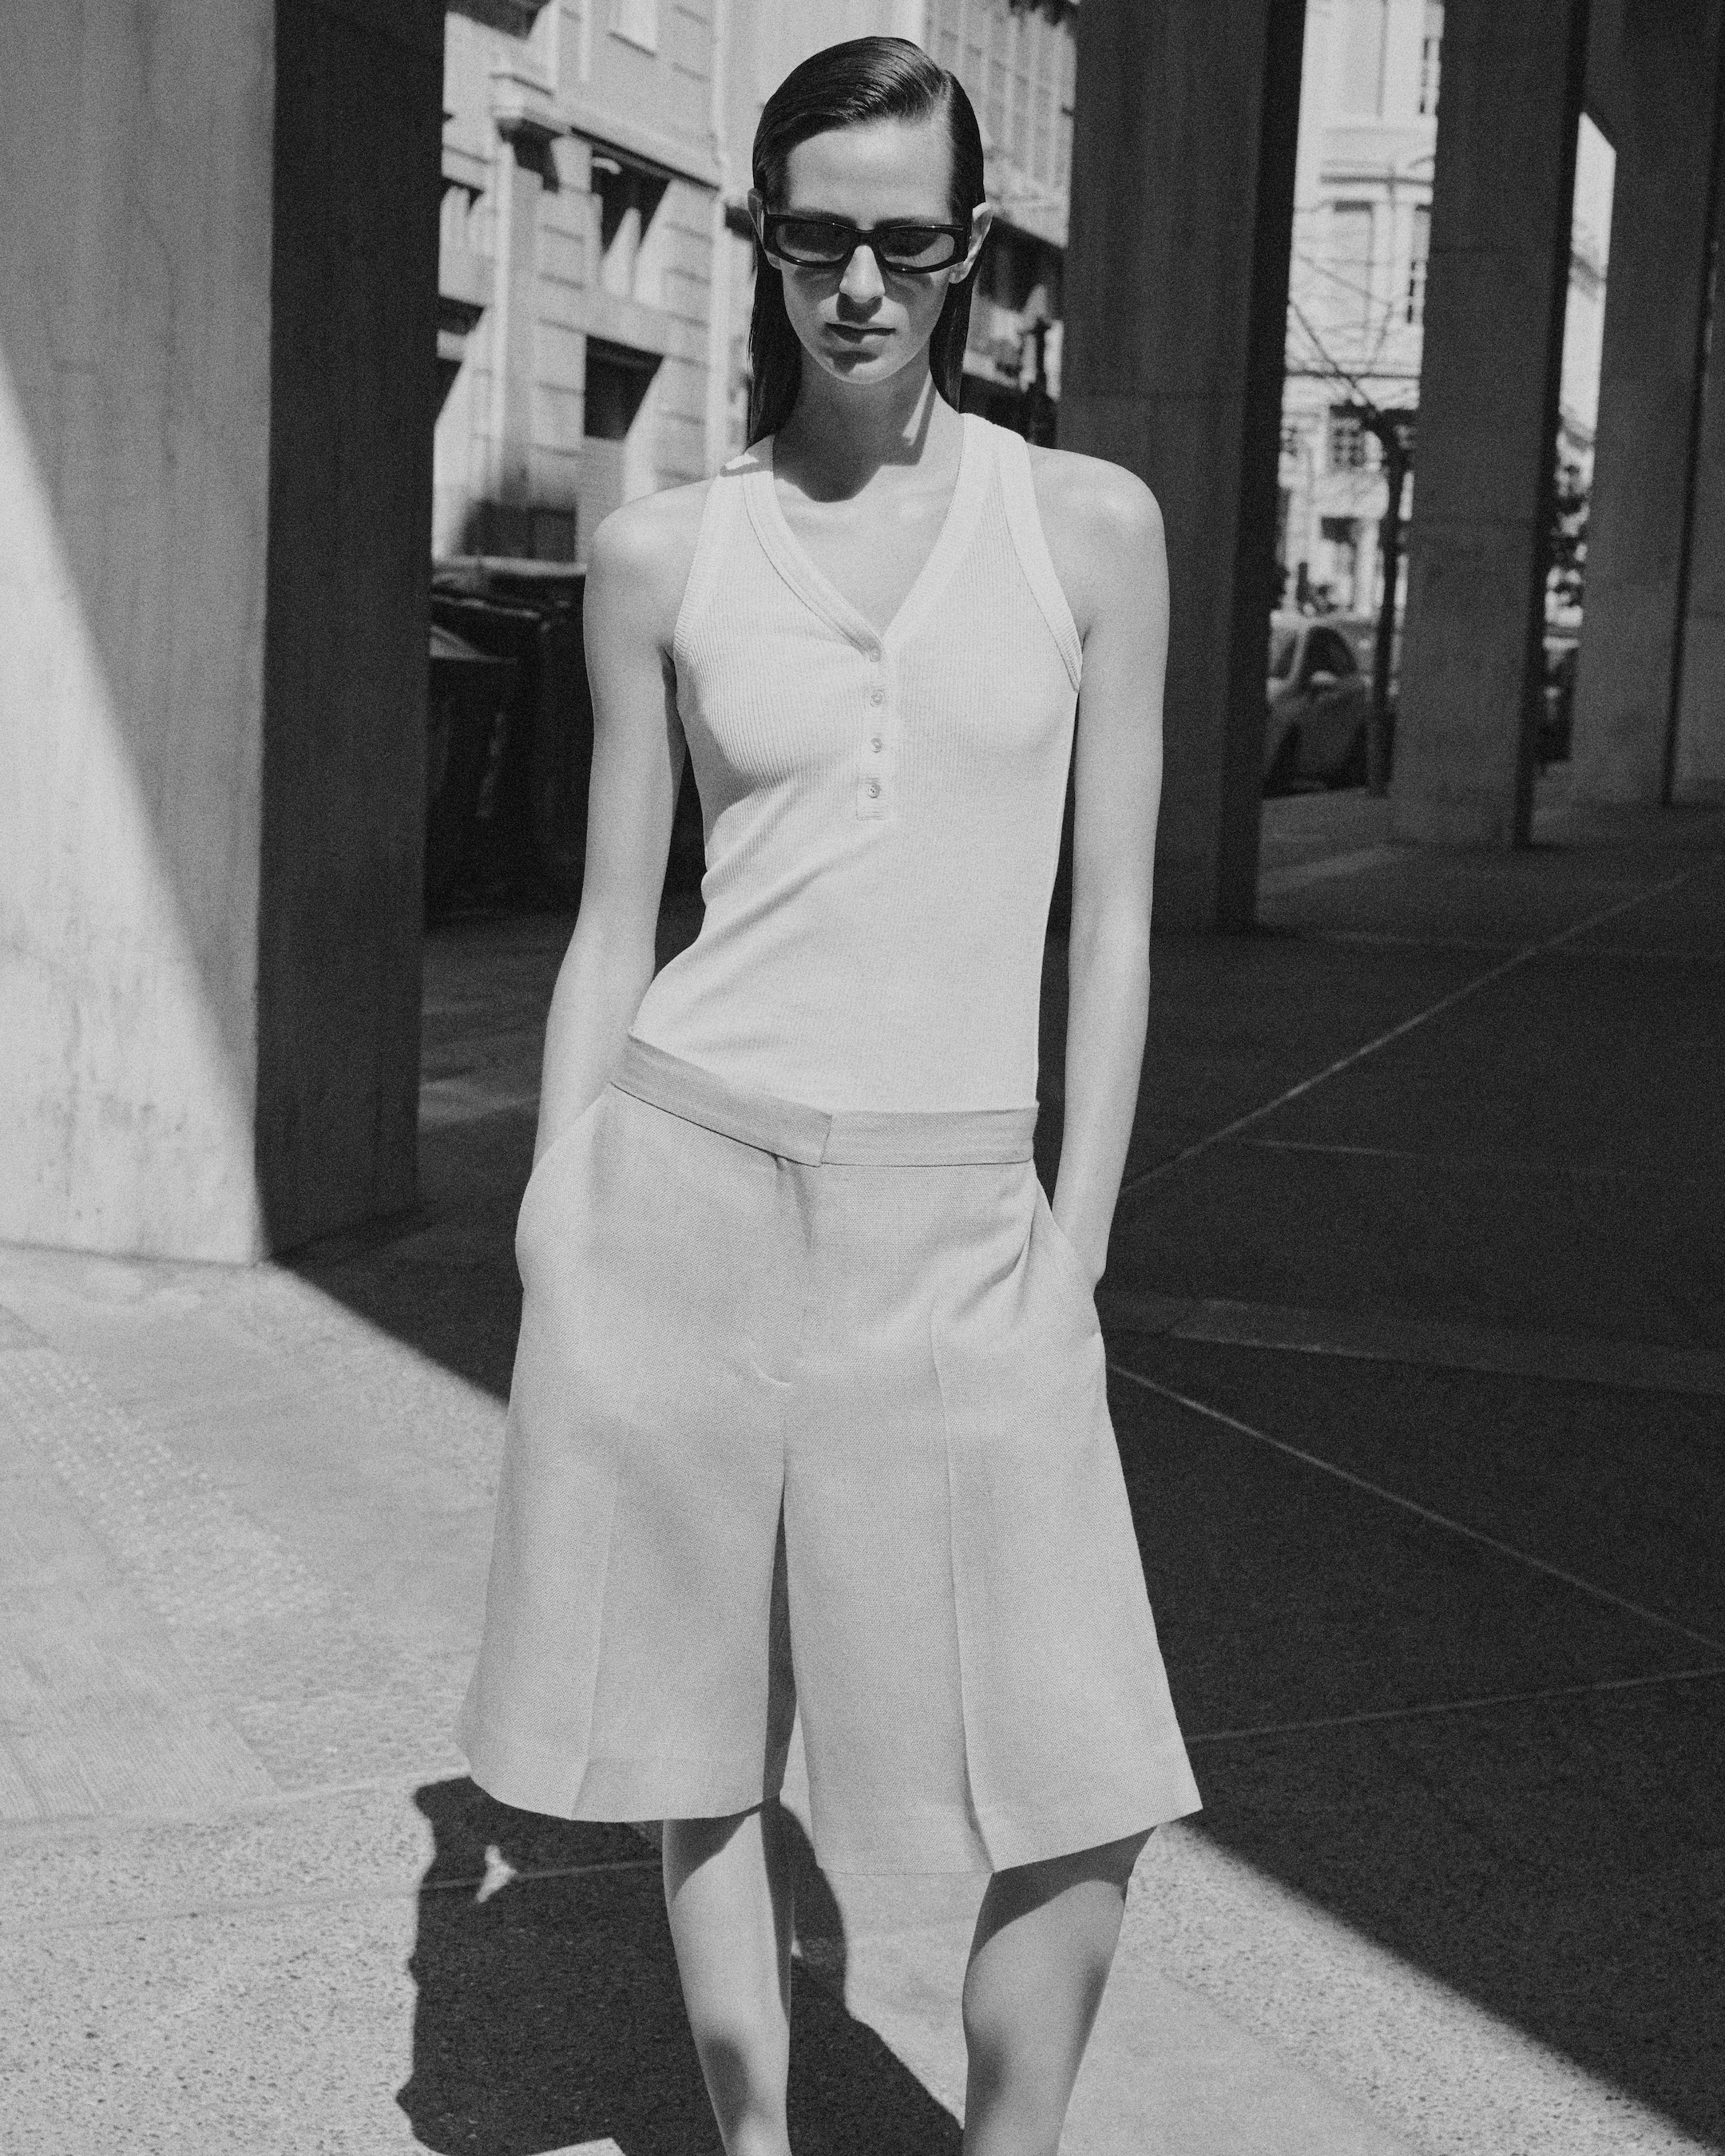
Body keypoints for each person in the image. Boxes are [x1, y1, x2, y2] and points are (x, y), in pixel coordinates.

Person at [456, 36, 1200, 2155]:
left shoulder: (1089, 528)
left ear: (969, 248)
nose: (859, 283)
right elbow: (615, 920)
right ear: (762, 238)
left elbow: (1114, 925)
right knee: (699, 1729)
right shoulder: (663, 554)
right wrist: (557, 1204)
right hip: (689, 1187)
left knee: (1081, 1768)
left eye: (907, 240)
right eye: (815, 236)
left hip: (962, 1220)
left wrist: (1077, 1242)